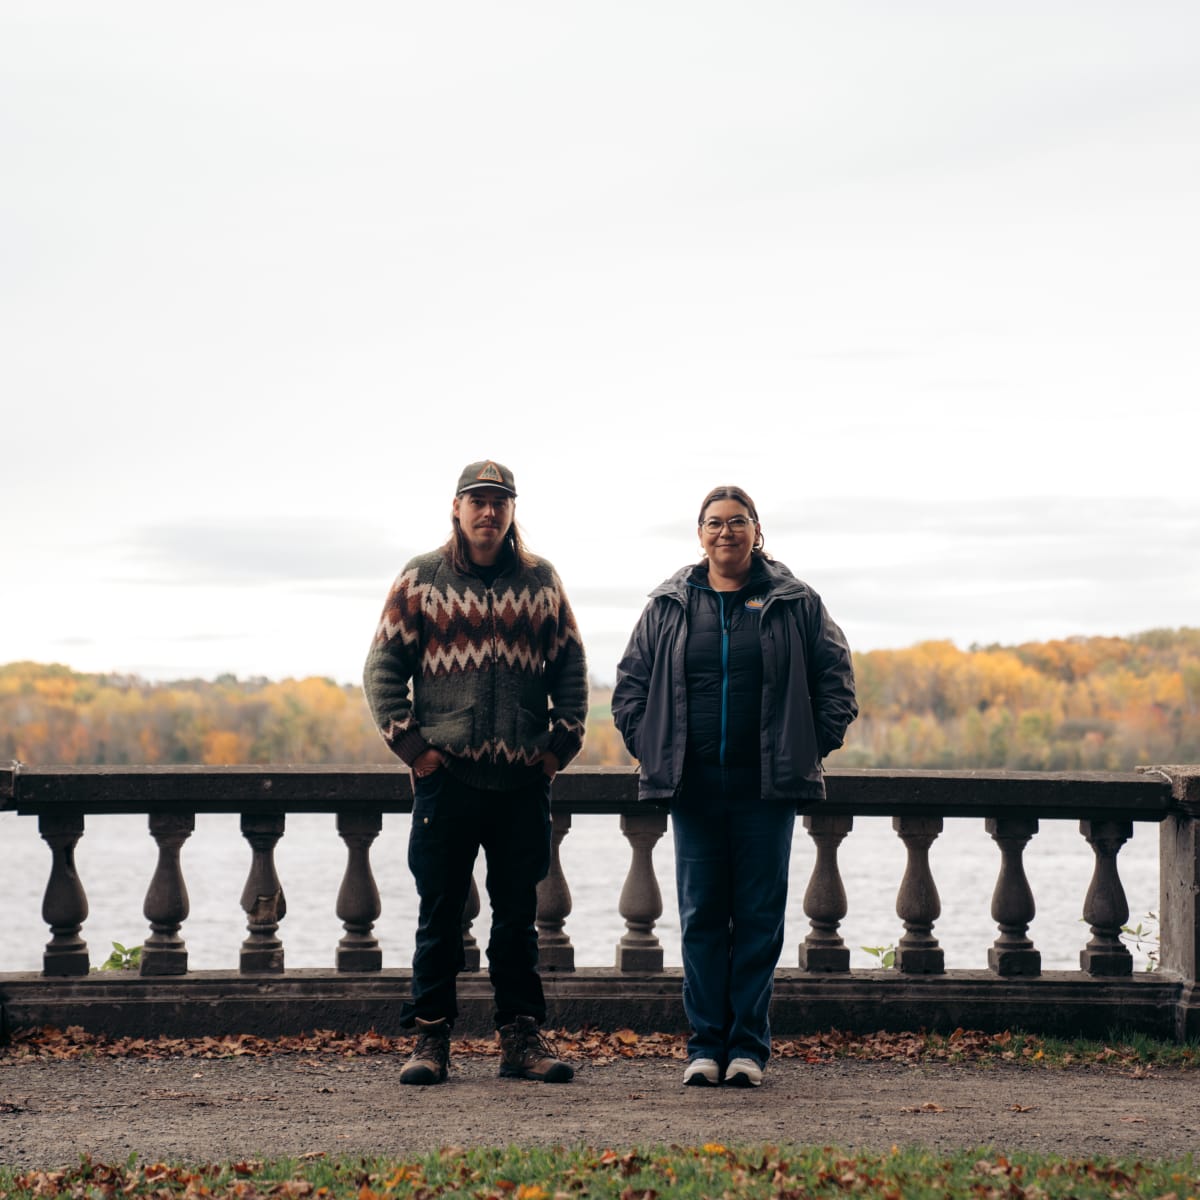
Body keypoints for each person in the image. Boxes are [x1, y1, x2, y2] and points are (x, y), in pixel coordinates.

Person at [612, 485, 857, 1088]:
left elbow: (837, 682)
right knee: (700, 917)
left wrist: (806, 745)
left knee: (757, 918)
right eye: (715, 523)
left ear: (756, 531)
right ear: (700, 535)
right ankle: (703, 1046)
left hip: (765, 789)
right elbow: (629, 688)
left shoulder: (794, 602)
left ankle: (747, 1046)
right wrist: (654, 748)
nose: (726, 532)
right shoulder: (670, 605)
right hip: (693, 788)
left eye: (738, 521)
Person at [363, 459, 588, 1086]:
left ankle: (520, 1041)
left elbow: (570, 667)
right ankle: (430, 1041)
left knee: (517, 919)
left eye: (500, 501)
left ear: (513, 510)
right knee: (439, 913)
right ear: (457, 509)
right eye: (477, 501)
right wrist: (413, 750)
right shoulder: (422, 579)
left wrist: (557, 748)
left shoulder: (541, 581)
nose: (489, 512)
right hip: (448, 780)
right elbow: (381, 669)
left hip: (521, 783)